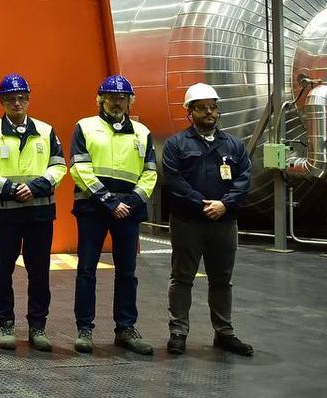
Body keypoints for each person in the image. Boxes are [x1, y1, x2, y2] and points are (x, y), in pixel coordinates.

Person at [0, 74, 67, 351]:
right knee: (3, 270)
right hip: (4, 215)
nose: (17, 102)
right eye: (11, 98)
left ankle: (38, 326)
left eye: (22, 97)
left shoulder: (46, 132)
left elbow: (59, 166)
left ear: (28, 99)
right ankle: (6, 324)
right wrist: (10, 188)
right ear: (1, 101)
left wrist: (35, 187)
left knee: (39, 272)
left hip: (39, 215)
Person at [162, 82, 254, 356]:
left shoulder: (233, 145)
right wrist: (201, 204)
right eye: (202, 108)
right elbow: (173, 180)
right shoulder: (176, 144)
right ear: (189, 112)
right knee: (182, 278)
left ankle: (224, 333)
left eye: (213, 107)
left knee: (222, 280)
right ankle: (178, 332)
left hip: (224, 223)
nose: (209, 113)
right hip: (188, 222)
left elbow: (244, 178)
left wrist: (224, 205)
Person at [69, 74, 156, 355]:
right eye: (111, 97)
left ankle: (125, 329)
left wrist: (130, 202)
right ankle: (85, 330)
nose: (117, 102)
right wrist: (108, 201)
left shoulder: (143, 133)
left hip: (127, 212)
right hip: (93, 210)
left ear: (130, 101)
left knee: (128, 272)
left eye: (122, 98)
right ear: (100, 99)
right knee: (86, 271)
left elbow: (150, 173)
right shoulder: (84, 127)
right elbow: (79, 169)